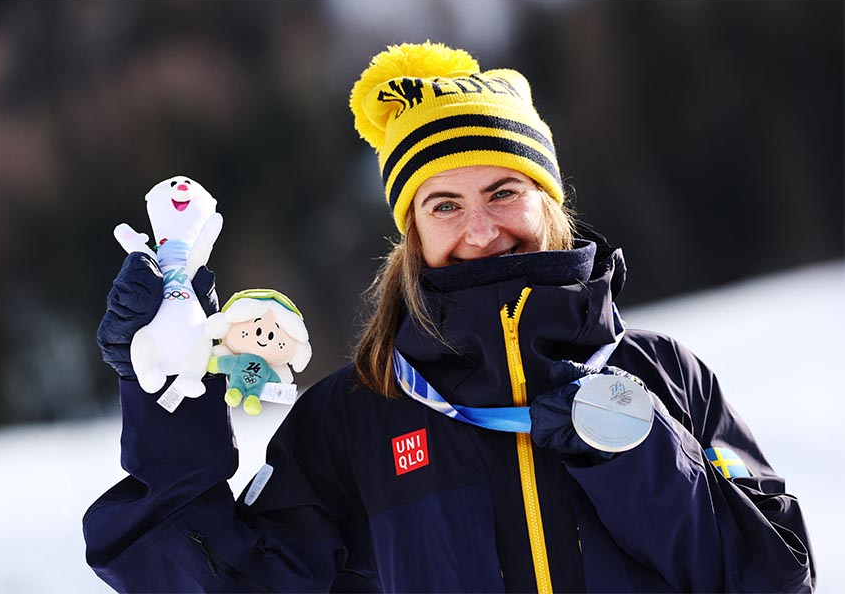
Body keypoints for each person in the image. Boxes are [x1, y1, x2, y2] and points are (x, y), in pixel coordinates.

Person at [84, 42, 815, 593]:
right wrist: (163, 395)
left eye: (504, 191)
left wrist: (633, 451)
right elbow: (205, 580)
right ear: (412, 231)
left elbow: (775, 575)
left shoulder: (661, 377)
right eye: (444, 204)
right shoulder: (358, 418)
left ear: (548, 202)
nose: (481, 230)